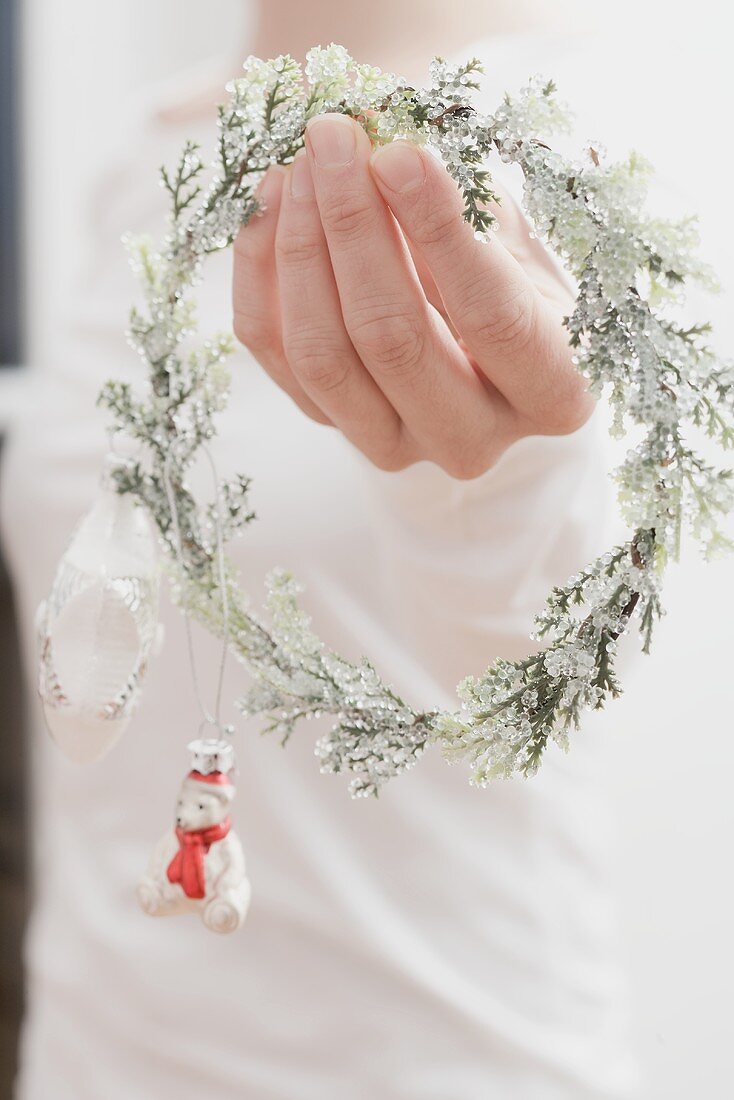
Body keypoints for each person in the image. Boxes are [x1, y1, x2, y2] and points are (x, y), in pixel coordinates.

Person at [1, 2, 639, 1097]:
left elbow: (530, 597)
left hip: (442, 1060)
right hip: (91, 1055)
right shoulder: (138, 152)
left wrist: (507, 465)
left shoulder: (571, 140)